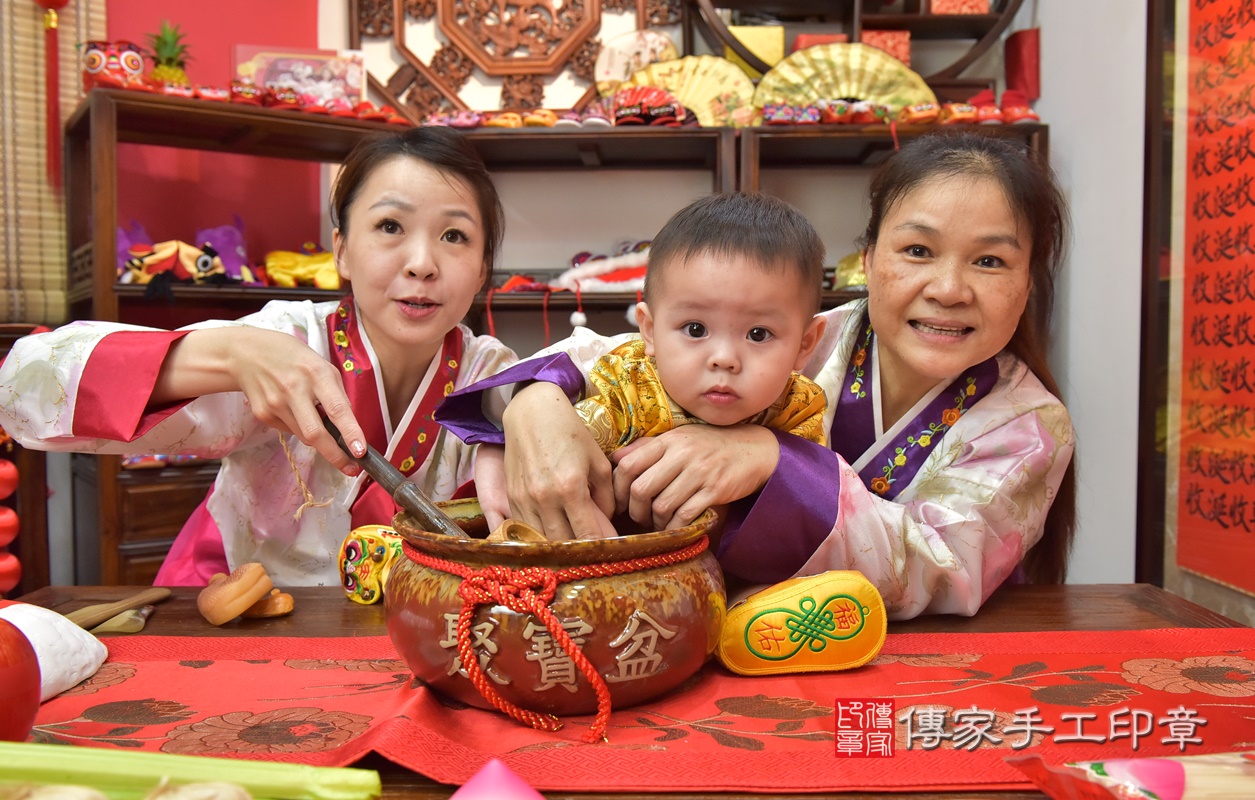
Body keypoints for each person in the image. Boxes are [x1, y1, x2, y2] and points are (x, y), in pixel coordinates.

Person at [438, 131, 1076, 620]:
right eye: (917, 250)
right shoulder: (806, 336)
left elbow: (941, 566)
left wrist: (775, 461)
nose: (949, 287)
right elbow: (624, 354)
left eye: (990, 261)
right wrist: (535, 402)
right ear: (871, 254)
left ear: (1029, 282)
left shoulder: (1028, 425)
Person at [0, 125, 517, 587]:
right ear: (340, 250)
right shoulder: (285, 339)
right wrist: (230, 355)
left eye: (454, 235)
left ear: (480, 270)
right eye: (390, 226)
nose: (422, 263)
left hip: (415, 640)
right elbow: (21, 390)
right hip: (246, 616)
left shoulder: (491, 375)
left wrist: (535, 411)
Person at [564, 193, 829, 462]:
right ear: (650, 331)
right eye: (695, 329)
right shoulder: (629, 392)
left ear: (805, 344)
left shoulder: (799, 409)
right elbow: (559, 462)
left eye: (758, 334)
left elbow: (814, 488)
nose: (724, 359)